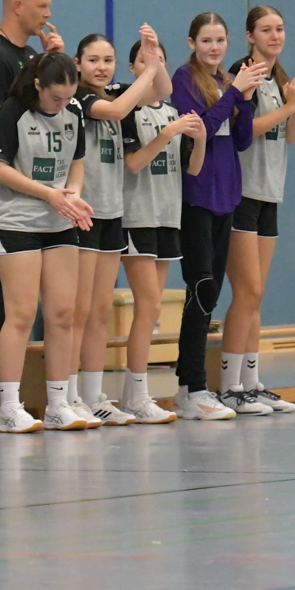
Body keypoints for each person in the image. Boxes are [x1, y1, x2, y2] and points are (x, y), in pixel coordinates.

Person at [0, 0, 63, 423]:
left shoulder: (30, 57)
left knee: (46, 295)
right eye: (42, 6)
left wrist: (54, 61)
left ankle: (40, 389)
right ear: (18, 6)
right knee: (5, 286)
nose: (48, 14)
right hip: (3, 185)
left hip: (39, 186)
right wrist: (25, 183)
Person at [221, 5, 295, 414]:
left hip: (269, 194)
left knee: (257, 296)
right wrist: (288, 105)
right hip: (241, 194)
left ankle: (251, 382)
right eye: (266, 29)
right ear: (250, 36)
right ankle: (230, 386)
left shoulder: (281, 79)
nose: (275, 36)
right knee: (246, 291)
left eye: (280, 29)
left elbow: (289, 136)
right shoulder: (243, 74)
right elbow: (244, 133)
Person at [68, 27, 172, 427]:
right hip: (83, 212)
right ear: (77, 65)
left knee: (98, 310)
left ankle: (94, 396)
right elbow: (116, 111)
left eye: (108, 60)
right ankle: (69, 394)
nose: (101, 67)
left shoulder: (117, 93)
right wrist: (148, 70)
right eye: (93, 60)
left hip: (113, 213)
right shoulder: (80, 98)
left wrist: (153, 57)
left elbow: (161, 91)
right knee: (77, 310)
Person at [0, 51, 92, 433]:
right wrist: (48, 194)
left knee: (62, 313)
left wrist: (72, 195)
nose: (62, 104)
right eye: (55, 98)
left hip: (59, 222)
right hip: (18, 221)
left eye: (69, 97)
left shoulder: (74, 113)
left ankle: (59, 404)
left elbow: (77, 163)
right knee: (21, 313)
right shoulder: (14, 110)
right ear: (38, 86)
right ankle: (9, 407)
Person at [171, 13, 265, 420]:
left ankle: (195, 387)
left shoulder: (229, 80)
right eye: (206, 40)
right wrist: (234, 94)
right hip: (197, 196)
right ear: (192, 42)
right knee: (201, 288)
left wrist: (244, 98)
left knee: (213, 292)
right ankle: (190, 387)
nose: (214, 47)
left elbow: (242, 140)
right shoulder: (183, 79)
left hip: (227, 195)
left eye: (220, 40)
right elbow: (201, 130)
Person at [116, 39, 207, 423]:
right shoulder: (128, 109)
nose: (152, 66)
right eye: (143, 60)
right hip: (138, 216)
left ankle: (133, 394)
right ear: (133, 68)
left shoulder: (173, 112)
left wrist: (199, 139)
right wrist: (167, 134)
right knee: (148, 306)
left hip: (168, 217)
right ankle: (137, 394)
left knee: (151, 309)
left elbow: (193, 169)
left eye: (158, 60)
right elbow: (134, 163)